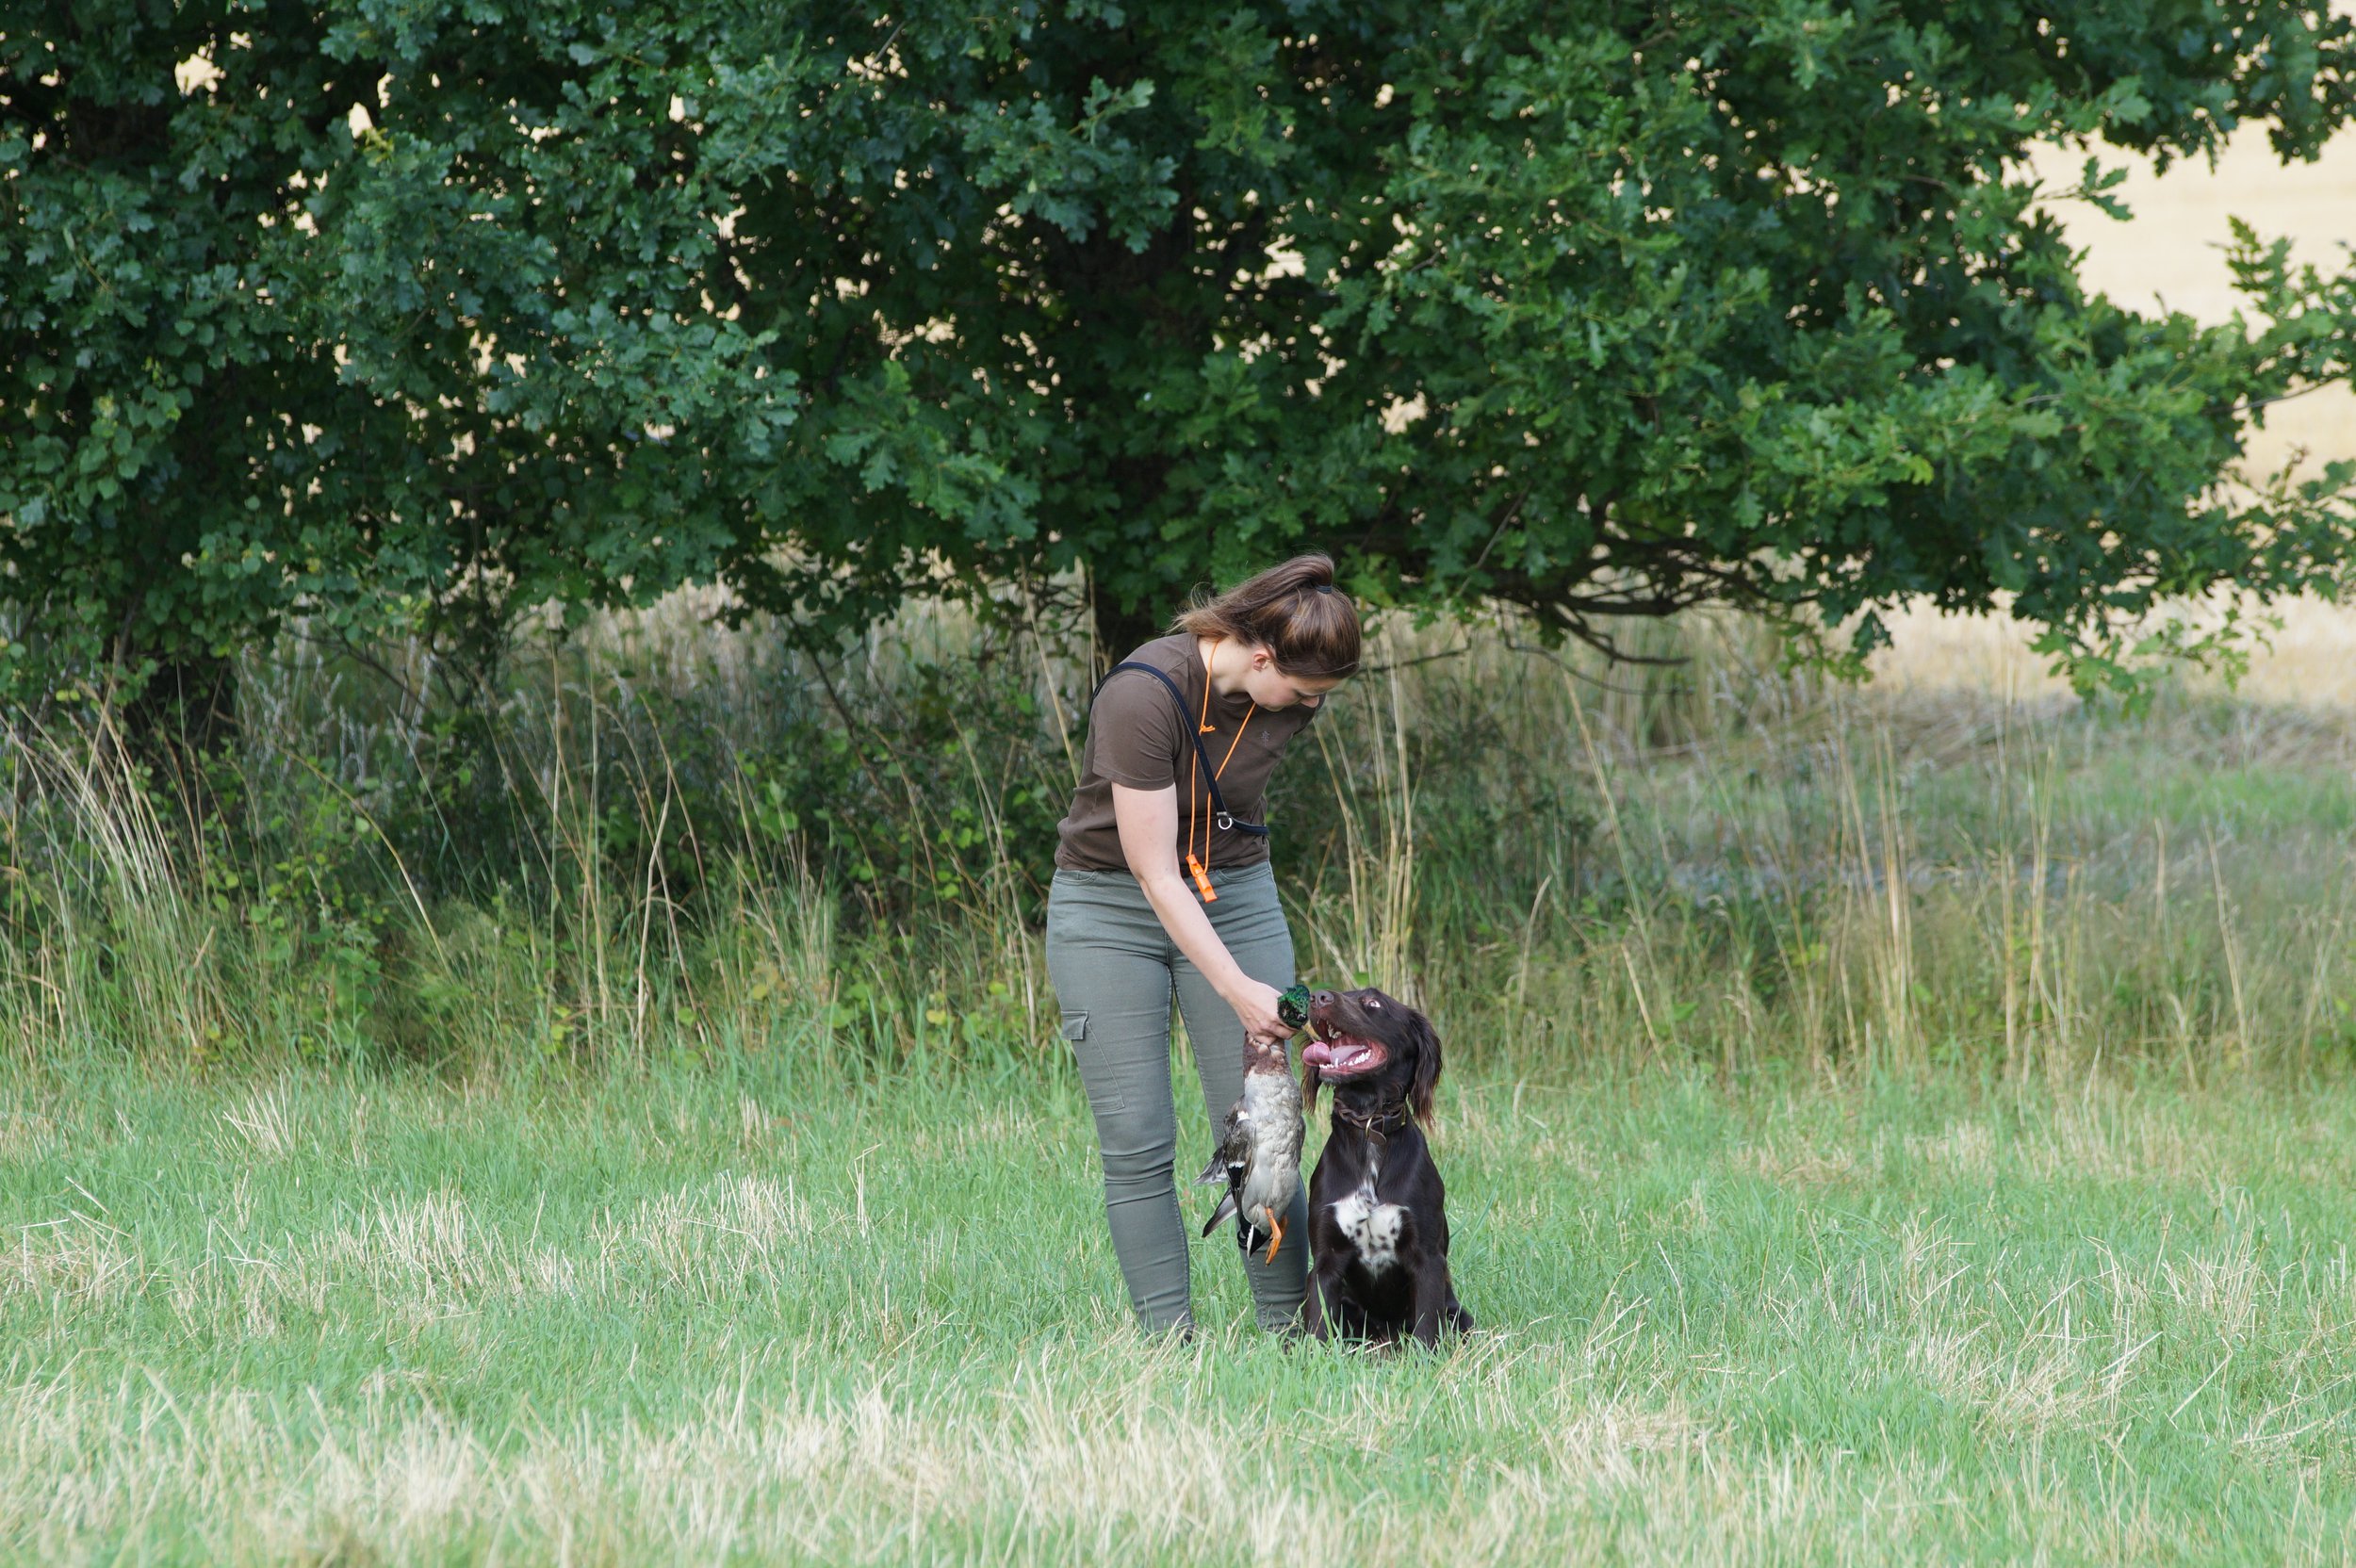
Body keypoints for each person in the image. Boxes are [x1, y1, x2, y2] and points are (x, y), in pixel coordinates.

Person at [1045, 554, 1361, 1335]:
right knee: (1137, 1139)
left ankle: (1290, 1334)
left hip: (1236, 892)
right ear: (1263, 658)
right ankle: (1168, 1343)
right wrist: (1238, 989)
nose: (1311, 707)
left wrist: (1256, 991)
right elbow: (1155, 872)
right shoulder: (1142, 696)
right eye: (1305, 690)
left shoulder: (1288, 701)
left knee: (1269, 1131)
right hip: (1110, 907)